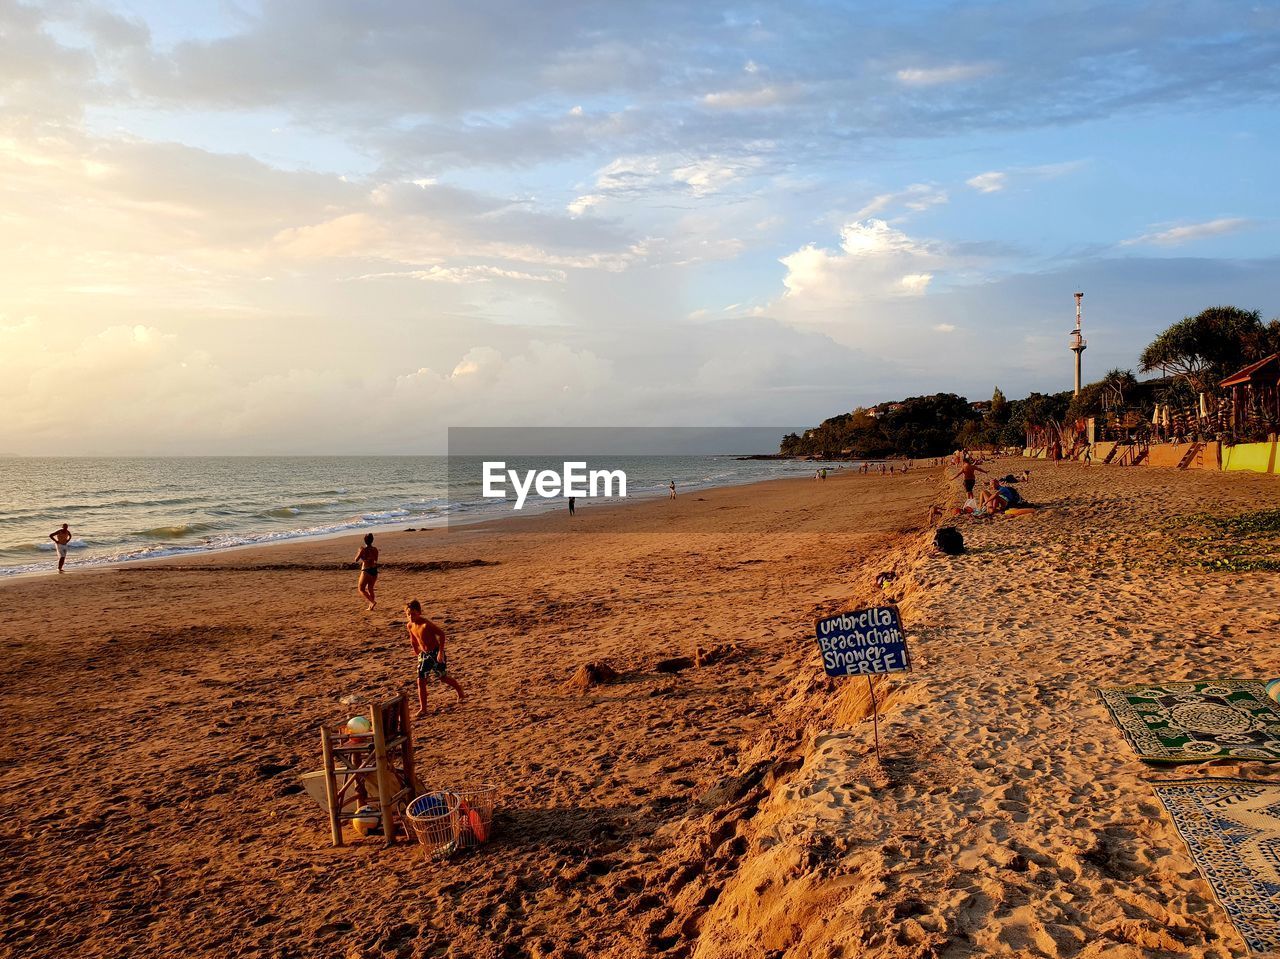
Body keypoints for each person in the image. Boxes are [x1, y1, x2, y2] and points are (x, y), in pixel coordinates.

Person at [405, 599, 465, 716]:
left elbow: (441, 634)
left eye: (413, 614)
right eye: (408, 614)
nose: (411, 617)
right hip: (424, 655)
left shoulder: (426, 625)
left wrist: (441, 652)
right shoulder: (410, 625)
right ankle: (423, 708)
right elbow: (413, 639)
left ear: (419, 613)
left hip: (435, 653)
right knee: (420, 680)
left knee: (443, 677)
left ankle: (459, 690)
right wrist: (415, 650)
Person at [354, 533, 379, 611]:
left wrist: (360, 552)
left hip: (366, 570)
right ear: (372, 540)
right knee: (370, 588)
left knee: (361, 589)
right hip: (374, 570)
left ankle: (372, 602)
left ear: (364, 540)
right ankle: (370, 607)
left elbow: (356, 559)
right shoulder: (375, 549)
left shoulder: (362, 549)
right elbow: (376, 559)